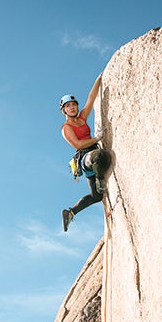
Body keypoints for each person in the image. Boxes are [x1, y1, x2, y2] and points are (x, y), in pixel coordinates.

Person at [60, 75, 104, 232]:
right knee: (99, 156)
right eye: (68, 106)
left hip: (92, 156)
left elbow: (91, 98)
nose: (72, 108)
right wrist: (96, 138)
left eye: (74, 105)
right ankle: (100, 179)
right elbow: (78, 144)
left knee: (97, 196)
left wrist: (98, 79)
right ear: (64, 110)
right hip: (85, 158)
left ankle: (70, 212)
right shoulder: (66, 128)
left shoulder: (82, 118)